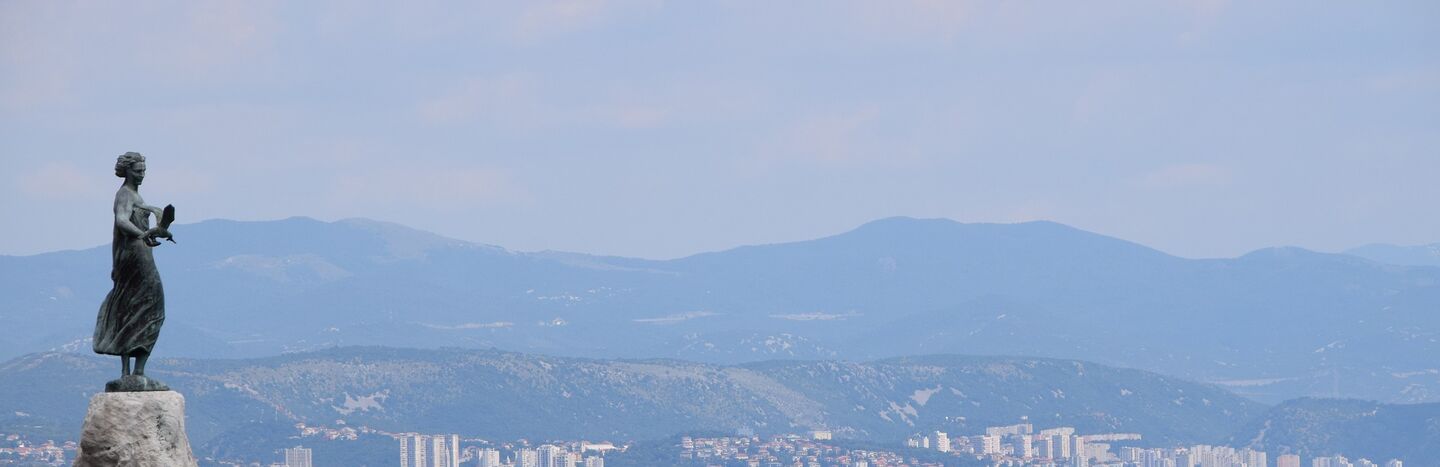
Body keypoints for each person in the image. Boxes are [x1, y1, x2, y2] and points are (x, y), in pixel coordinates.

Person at [93, 152, 171, 389]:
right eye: (138, 171)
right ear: (127, 171)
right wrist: (143, 234)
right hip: (135, 255)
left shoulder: (135, 195)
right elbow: (122, 220)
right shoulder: (125, 194)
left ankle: (134, 372)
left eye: (144, 171)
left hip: (139, 252)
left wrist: (158, 231)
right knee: (151, 305)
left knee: (134, 305)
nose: (141, 175)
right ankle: (133, 371)